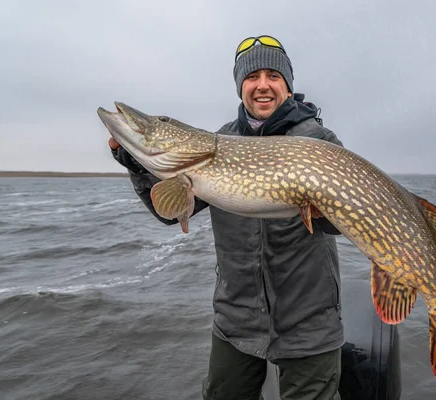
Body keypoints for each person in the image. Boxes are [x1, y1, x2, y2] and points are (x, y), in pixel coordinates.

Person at [109, 35, 345, 400]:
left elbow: (342, 223)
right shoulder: (216, 144)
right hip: (236, 319)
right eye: (252, 77)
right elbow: (172, 214)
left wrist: (321, 204)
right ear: (241, 87)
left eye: (273, 75)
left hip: (310, 321)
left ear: (287, 84)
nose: (262, 85)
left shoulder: (318, 140)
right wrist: (135, 161)